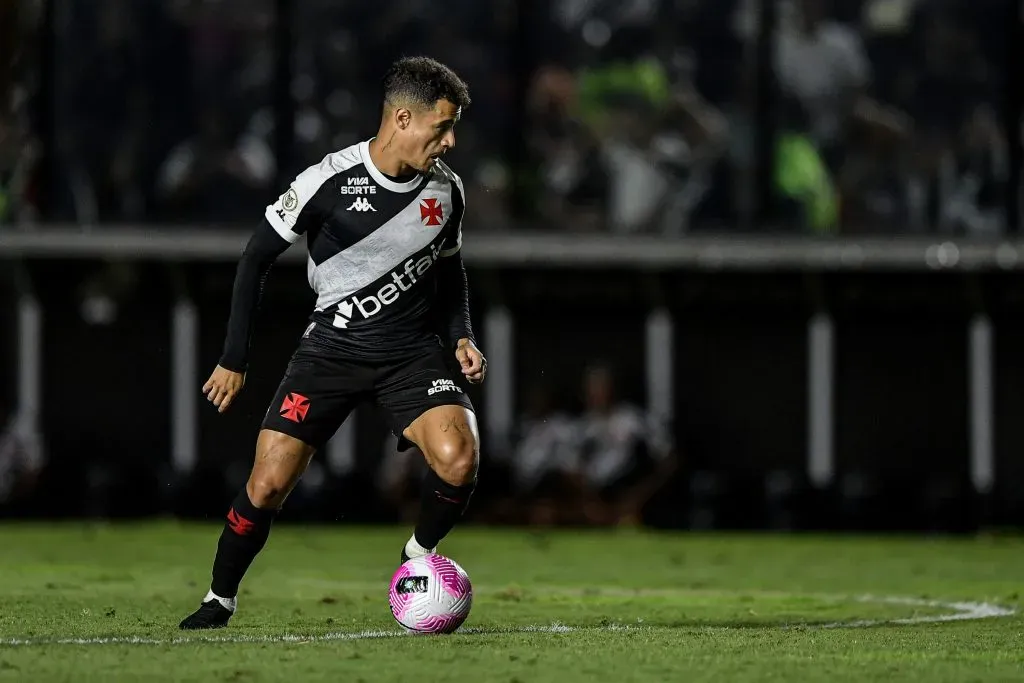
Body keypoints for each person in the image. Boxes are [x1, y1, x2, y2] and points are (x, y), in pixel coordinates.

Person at [179, 57, 487, 630]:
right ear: (401, 117)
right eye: (441, 127)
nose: (450, 141)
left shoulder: (447, 192)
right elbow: (256, 258)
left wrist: (462, 335)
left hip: (410, 353)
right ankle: (219, 598)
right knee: (267, 484)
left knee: (459, 458)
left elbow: (450, 272)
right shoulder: (327, 182)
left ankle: (417, 557)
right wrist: (233, 358)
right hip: (331, 351)